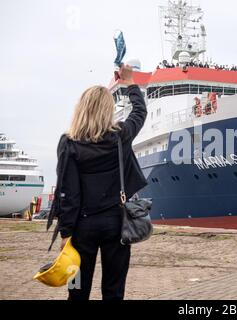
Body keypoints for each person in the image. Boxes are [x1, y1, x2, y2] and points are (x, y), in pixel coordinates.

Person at [55, 65, 148, 300]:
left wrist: (66, 232)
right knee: (114, 291)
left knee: (76, 290)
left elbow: (68, 192)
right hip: (117, 225)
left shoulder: (69, 143)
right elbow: (139, 112)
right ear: (108, 111)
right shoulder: (120, 136)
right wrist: (130, 83)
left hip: (81, 227)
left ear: (81, 109)